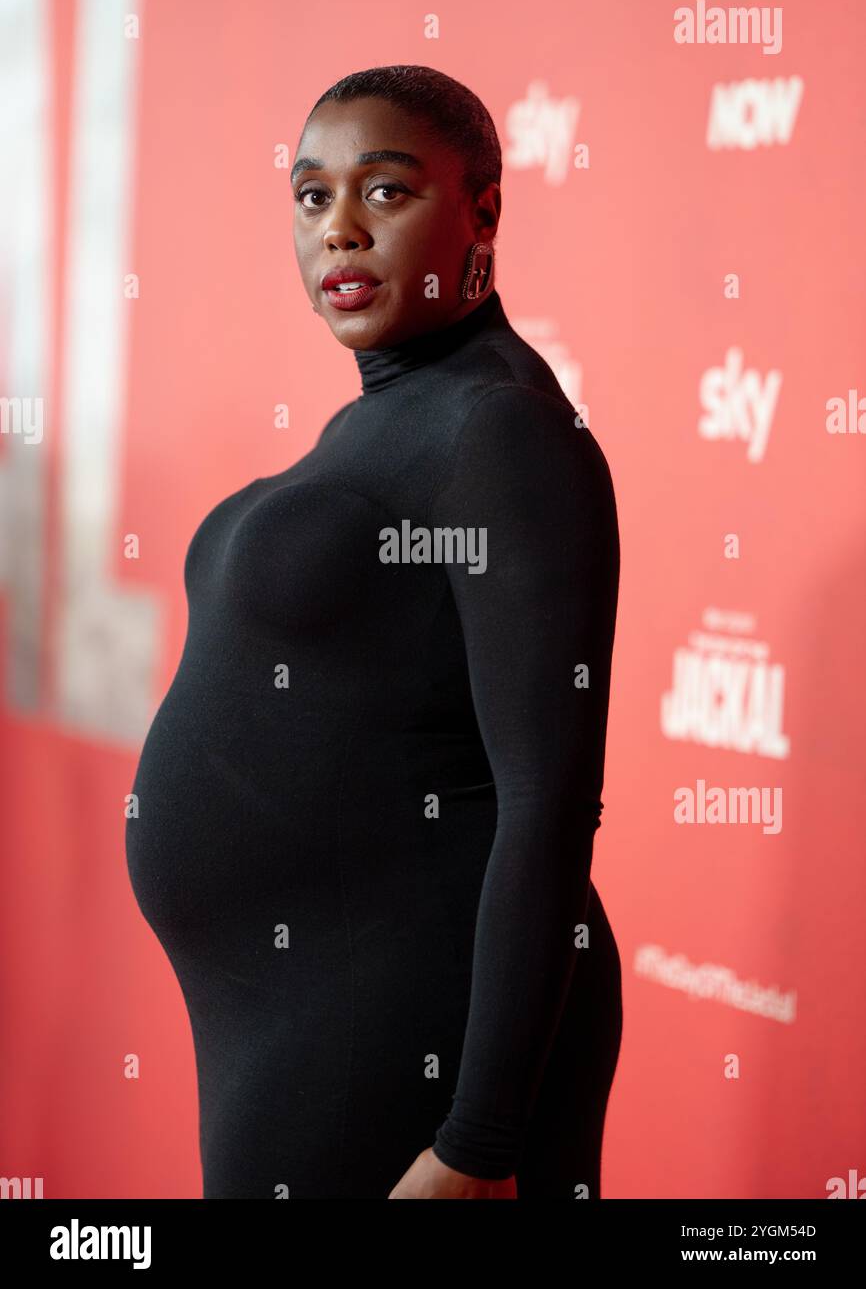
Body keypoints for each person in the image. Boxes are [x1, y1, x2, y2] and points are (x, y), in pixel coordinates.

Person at [126, 64, 622, 1200]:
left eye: (385, 193)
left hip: (407, 1030)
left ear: (481, 210)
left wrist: (479, 1140)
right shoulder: (390, 418)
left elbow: (545, 799)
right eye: (310, 198)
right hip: (299, 1015)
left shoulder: (498, 430)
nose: (339, 230)